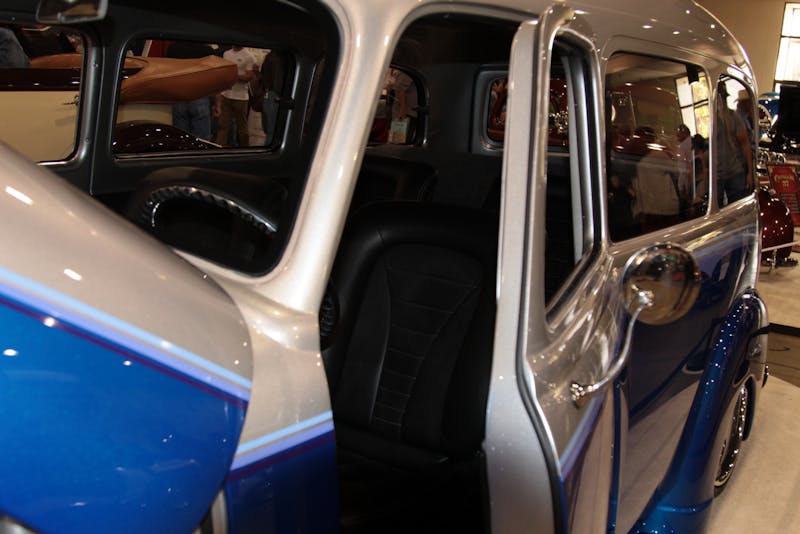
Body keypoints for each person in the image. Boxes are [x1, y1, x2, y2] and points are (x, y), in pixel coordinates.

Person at [632, 127, 681, 233]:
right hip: (654, 209)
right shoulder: (638, 157)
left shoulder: (657, 156)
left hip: (658, 210)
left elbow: (676, 172)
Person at [166, 40, 215, 141]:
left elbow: (167, 70)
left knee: (180, 139)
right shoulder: (207, 49)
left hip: (178, 95)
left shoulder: (173, 48)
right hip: (200, 95)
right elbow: (213, 76)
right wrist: (216, 102)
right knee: (202, 141)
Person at [715, 81, 753, 206]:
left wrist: (750, 173)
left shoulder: (733, 117)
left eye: (723, 97)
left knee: (737, 207)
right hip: (717, 174)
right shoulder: (712, 119)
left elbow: (745, 144)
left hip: (735, 171)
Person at [216, 46, 257, 147]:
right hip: (226, 95)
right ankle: (219, 149)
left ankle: (244, 150)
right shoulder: (226, 54)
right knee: (222, 126)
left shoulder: (249, 56)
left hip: (241, 97)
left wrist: (233, 76)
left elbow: (249, 76)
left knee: (242, 128)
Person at [258, 50, 288, 147]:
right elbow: (278, 83)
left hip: (268, 94)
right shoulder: (279, 59)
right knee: (273, 132)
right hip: (276, 96)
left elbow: (262, 75)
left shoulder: (269, 57)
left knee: (269, 130)